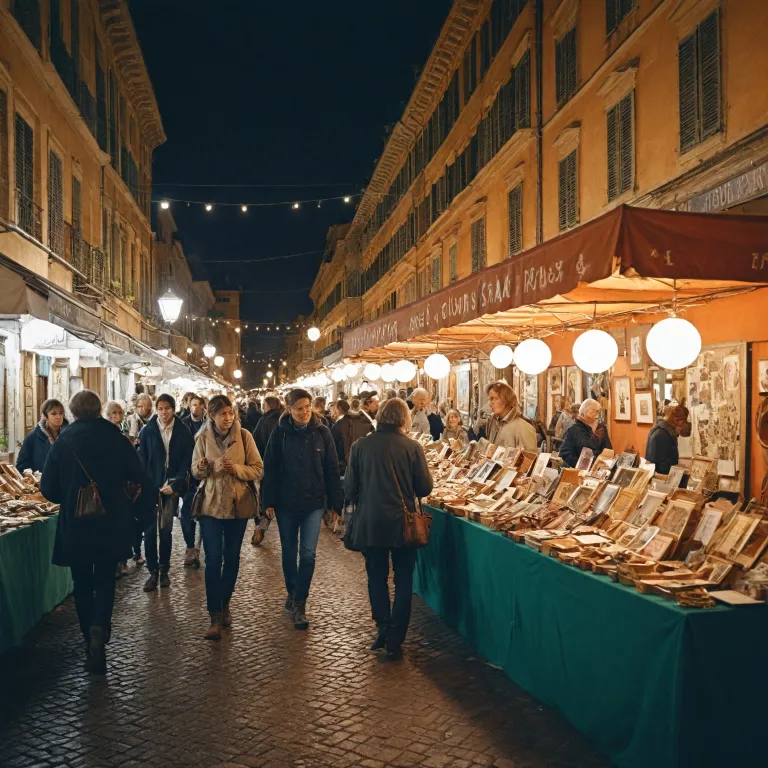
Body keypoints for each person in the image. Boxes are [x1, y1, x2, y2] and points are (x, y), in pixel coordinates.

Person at [40, 389, 152, 674]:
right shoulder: (116, 438)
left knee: (81, 584)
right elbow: (139, 476)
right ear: (99, 409)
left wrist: (70, 492)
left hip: (76, 525)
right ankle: (100, 628)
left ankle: (89, 637)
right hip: (111, 521)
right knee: (104, 580)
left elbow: (49, 490)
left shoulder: (63, 441)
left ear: (73, 412)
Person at [345, 398, 433, 659]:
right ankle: (397, 635)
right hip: (402, 524)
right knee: (404, 579)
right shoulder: (412, 447)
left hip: (371, 523)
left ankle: (382, 626)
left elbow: (349, 488)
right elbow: (425, 488)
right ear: (404, 419)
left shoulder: (360, 446)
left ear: (380, 415)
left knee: (376, 577)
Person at [261, 388, 343, 630]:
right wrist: (267, 502)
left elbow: (331, 469)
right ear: (289, 410)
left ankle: (300, 601)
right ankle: (292, 590)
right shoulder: (279, 434)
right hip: (286, 504)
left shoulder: (322, 432)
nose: (305, 412)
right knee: (289, 551)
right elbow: (271, 469)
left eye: (307, 407)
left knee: (308, 554)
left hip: (313, 504)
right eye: (299, 408)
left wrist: (336, 503)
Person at [192, 395, 264, 640]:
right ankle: (214, 615)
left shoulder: (245, 437)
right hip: (210, 507)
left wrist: (236, 469)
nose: (227, 418)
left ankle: (225, 603)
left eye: (229, 413)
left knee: (231, 558)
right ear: (211, 415)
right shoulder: (202, 438)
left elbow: (257, 468)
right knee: (213, 559)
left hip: (238, 506)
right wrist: (206, 467)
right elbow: (195, 471)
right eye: (221, 414)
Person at [137, 394, 194, 592]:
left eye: (167, 408)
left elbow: (187, 460)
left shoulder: (183, 431)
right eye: (160, 408)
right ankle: (152, 571)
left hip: (171, 489)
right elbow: (142, 460)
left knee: (165, 531)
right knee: (150, 531)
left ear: (173, 409)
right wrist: (149, 484)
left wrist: (176, 483)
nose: (163, 412)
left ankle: (164, 570)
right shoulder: (148, 431)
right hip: (151, 489)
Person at [250, 395, 284, 546]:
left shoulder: (263, 421)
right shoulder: (284, 420)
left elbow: (255, 443)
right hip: (286, 468)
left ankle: (262, 525)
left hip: (267, 466)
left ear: (267, 406)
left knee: (267, 498)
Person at [180, 395, 206, 567]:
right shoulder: (182, 424)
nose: (195, 408)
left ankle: (197, 546)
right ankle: (190, 546)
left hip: (205, 474)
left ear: (203, 406)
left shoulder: (209, 424)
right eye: (192, 405)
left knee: (204, 512)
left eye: (198, 405)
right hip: (188, 474)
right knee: (186, 513)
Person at [17, 398, 68, 472]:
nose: (58, 417)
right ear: (45, 416)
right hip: (42, 481)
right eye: (54, 413)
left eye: (61, 413)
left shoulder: (69, 435)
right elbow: (22, 466)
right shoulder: (32, 437)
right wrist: (34, 475)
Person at [559, 398, 612, 467]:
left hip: (596, 469)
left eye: (599, 412)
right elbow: (586, 449)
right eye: (596, 411)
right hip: (575, 469)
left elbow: (608, 449)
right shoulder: (575, 428)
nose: (598, 415)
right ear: (585, 412)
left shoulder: (600, 428)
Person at [485, 381, 537, 449]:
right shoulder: (492, 421)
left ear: (507, 399)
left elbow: (530, 458)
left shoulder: (524, 427)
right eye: (489, 399)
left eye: (493, 398)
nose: (490, 403)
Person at [332, 399, 374, 475]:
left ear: (339, 409)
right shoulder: (363, 422)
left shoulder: (338, 425)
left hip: (344, 466)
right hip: (364, 465)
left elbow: (334, 449)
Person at [645, 405, 689, 475]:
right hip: (662, 480)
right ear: (675, 420)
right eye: (682, 421)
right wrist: (678, 469)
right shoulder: (661, 435)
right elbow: (660, 467)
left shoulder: (661, 431)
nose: (682, 424)